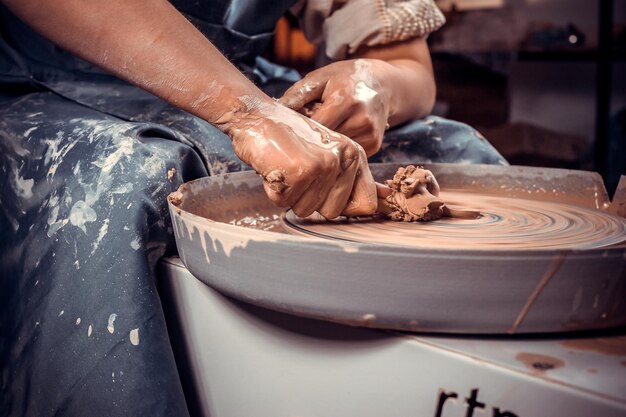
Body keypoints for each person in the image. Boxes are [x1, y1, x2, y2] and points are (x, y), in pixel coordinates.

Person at [0, 0, 507, 415]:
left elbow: (411, 71)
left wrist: (376, 84)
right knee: (133, 177)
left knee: (456, 152)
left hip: (245, 81)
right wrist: (246, 113)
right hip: (51, 81)